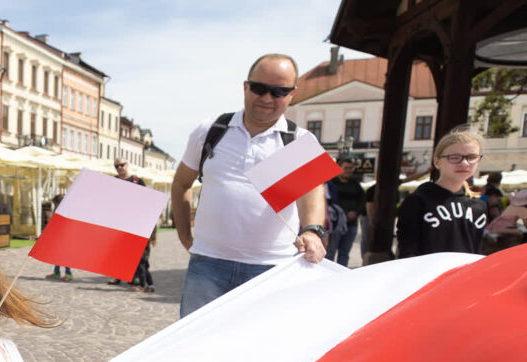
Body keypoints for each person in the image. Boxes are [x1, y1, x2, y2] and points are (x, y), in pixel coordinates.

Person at [171, 53, 326, 318]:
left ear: (292, 94)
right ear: (245, 86)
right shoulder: (211, 130)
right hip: (209, 265)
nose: (267, 98)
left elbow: (311, 194)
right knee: (197, 351)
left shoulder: (298, 140)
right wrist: (185, 236)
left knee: (259, 352)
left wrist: (312, 231)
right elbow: (181, 184)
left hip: (270, 268)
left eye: (279, 91)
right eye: (259, 88)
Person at [396, 127, 489, 258]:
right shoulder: (418, 201)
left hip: (464, 275)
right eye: (454, 157)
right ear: (437, 162)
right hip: (428, 275)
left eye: (472, 157)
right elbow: (407, 252)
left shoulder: (478, 206)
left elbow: (476, 250)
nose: (464, 163)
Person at [109, 158, 148, 286]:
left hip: (134, 222)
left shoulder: (138, 181)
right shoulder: (112, 181)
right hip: (117, 221)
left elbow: (146, 200)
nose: (120, 168)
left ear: (127, 165)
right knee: (117, 250)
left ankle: (135, 276)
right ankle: (117, 276)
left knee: (133, 251)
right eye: (117, 166)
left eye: (122, 165)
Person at [324, 158, 364, 267]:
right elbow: (328, 202)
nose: (349, 171)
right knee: (329, 253)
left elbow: (362, 201)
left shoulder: (356, 185)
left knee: (344, 253)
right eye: (346, 168)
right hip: (335, 225)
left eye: (351, 168)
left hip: (351, 224)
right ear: (339, 168)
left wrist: (355, 212)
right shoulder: (332, 184)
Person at [480, 189, 527, 255]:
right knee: (519, 232)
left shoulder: (511, 206)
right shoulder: (523, 209)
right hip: (507, 225)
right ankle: (494, 232)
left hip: (498, 223)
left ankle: (493, 233)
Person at [44, 193, 73, 281]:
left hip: (65, 237)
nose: (54, 205)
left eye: (55, 203)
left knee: (65, 255)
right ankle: (57, 272)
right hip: (58, 236)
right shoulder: (58, 210)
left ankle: (68, 273)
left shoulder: (65, 211)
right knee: (57, 255)